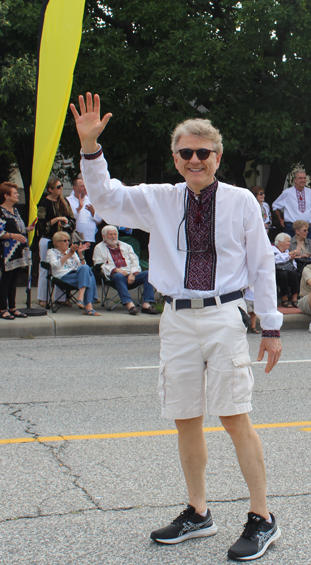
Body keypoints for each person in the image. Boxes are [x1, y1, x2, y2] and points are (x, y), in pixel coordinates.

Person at [70, 93, 282, 561]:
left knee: (233, 416)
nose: (194, 160)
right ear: (175, 158)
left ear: (217, 157)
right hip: (176, 318)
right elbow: (106, 199)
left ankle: (263, 517)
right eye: (185, 153)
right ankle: (198, 511)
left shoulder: (242, 201)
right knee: (186, 419)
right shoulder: (159, 200)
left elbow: (262, 263)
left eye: (202, 152)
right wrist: (90, 147)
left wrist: (271, 326)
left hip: (225, 316)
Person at [92, 225, 158, 315]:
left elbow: (135, 261)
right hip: (114, 277)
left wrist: (133, 273)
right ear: (104, 237)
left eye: (115, 234)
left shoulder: (126, 246)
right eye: (110, 234)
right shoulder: (99, 248)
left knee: (148, 274)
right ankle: (130, 305)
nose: (113, 236)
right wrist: (116, 270)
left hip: (131, 276)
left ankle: (146, 304)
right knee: (118, 276)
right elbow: (98, 265)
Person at [37, 177, 76, 307]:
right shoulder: (44, 203)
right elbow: (42, 225)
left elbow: (72, 220)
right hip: (48, 238)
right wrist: (56, 219)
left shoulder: (64, 201)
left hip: (62, 239)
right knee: (46, 267)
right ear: (50, 189)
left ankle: (61, 297)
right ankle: (43, 297)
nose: (61, 189)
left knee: (63, 266)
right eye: (58, 187)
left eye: (61, 186)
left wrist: (65, 223)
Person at [0, 182, 36, 319]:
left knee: (14, 279)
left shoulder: (15, 211)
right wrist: (13, 235)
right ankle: (3, 308)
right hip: (6, 252)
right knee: (6, 279)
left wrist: (27, 229)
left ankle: (12, 307)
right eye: (15, 193)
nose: (17, 195)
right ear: (6, 196)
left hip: (18, 250)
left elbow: (18, 229)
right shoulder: (1, 211)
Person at [46, 231, 100, 316]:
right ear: (56, 242)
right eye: (64, 240)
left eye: (68, 240)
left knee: (86, 268)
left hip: (77, 275)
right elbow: (55, 265)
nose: (67, 242)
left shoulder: (71, 251)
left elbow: (81, 267)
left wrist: (80, 254)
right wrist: (70, 253)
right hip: (63, 277)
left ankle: (81, 299)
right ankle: (88, 307)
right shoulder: (51, 252)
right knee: (90, 276)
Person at [67, 175, 102, 265]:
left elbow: (99, 220)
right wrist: (79, 208)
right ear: (75, 188)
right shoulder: (68, 200)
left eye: (85, 185)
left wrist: (93, 212)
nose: (84, 188)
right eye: (82, 186)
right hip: (76, 238)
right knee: (77, 263)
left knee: (90, 262)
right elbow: (68, 219)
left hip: (90, 237)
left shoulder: (91, 200)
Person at [272, 169, 311, 238]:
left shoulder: (309, 192)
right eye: (300, 178)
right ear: (295, 180)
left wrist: (310, 219)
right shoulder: (287, 192)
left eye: (304, 178)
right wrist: (280, 220)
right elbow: (275, 206)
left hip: (306, 227)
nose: (303, 180)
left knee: (307, 247)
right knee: (291, 247)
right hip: (292, 226)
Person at [272, 233, 300, 308]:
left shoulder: (287, 251)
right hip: (276, 271)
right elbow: (276, 260)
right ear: (280, 242)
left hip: (288, 270)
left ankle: (294, 298)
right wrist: (289, 255)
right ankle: (284, 298)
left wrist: (291, 259)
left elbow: (294, 266)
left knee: (294, 274)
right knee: (283, 275)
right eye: (287, 241)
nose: (289, 244)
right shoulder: (272, 249)